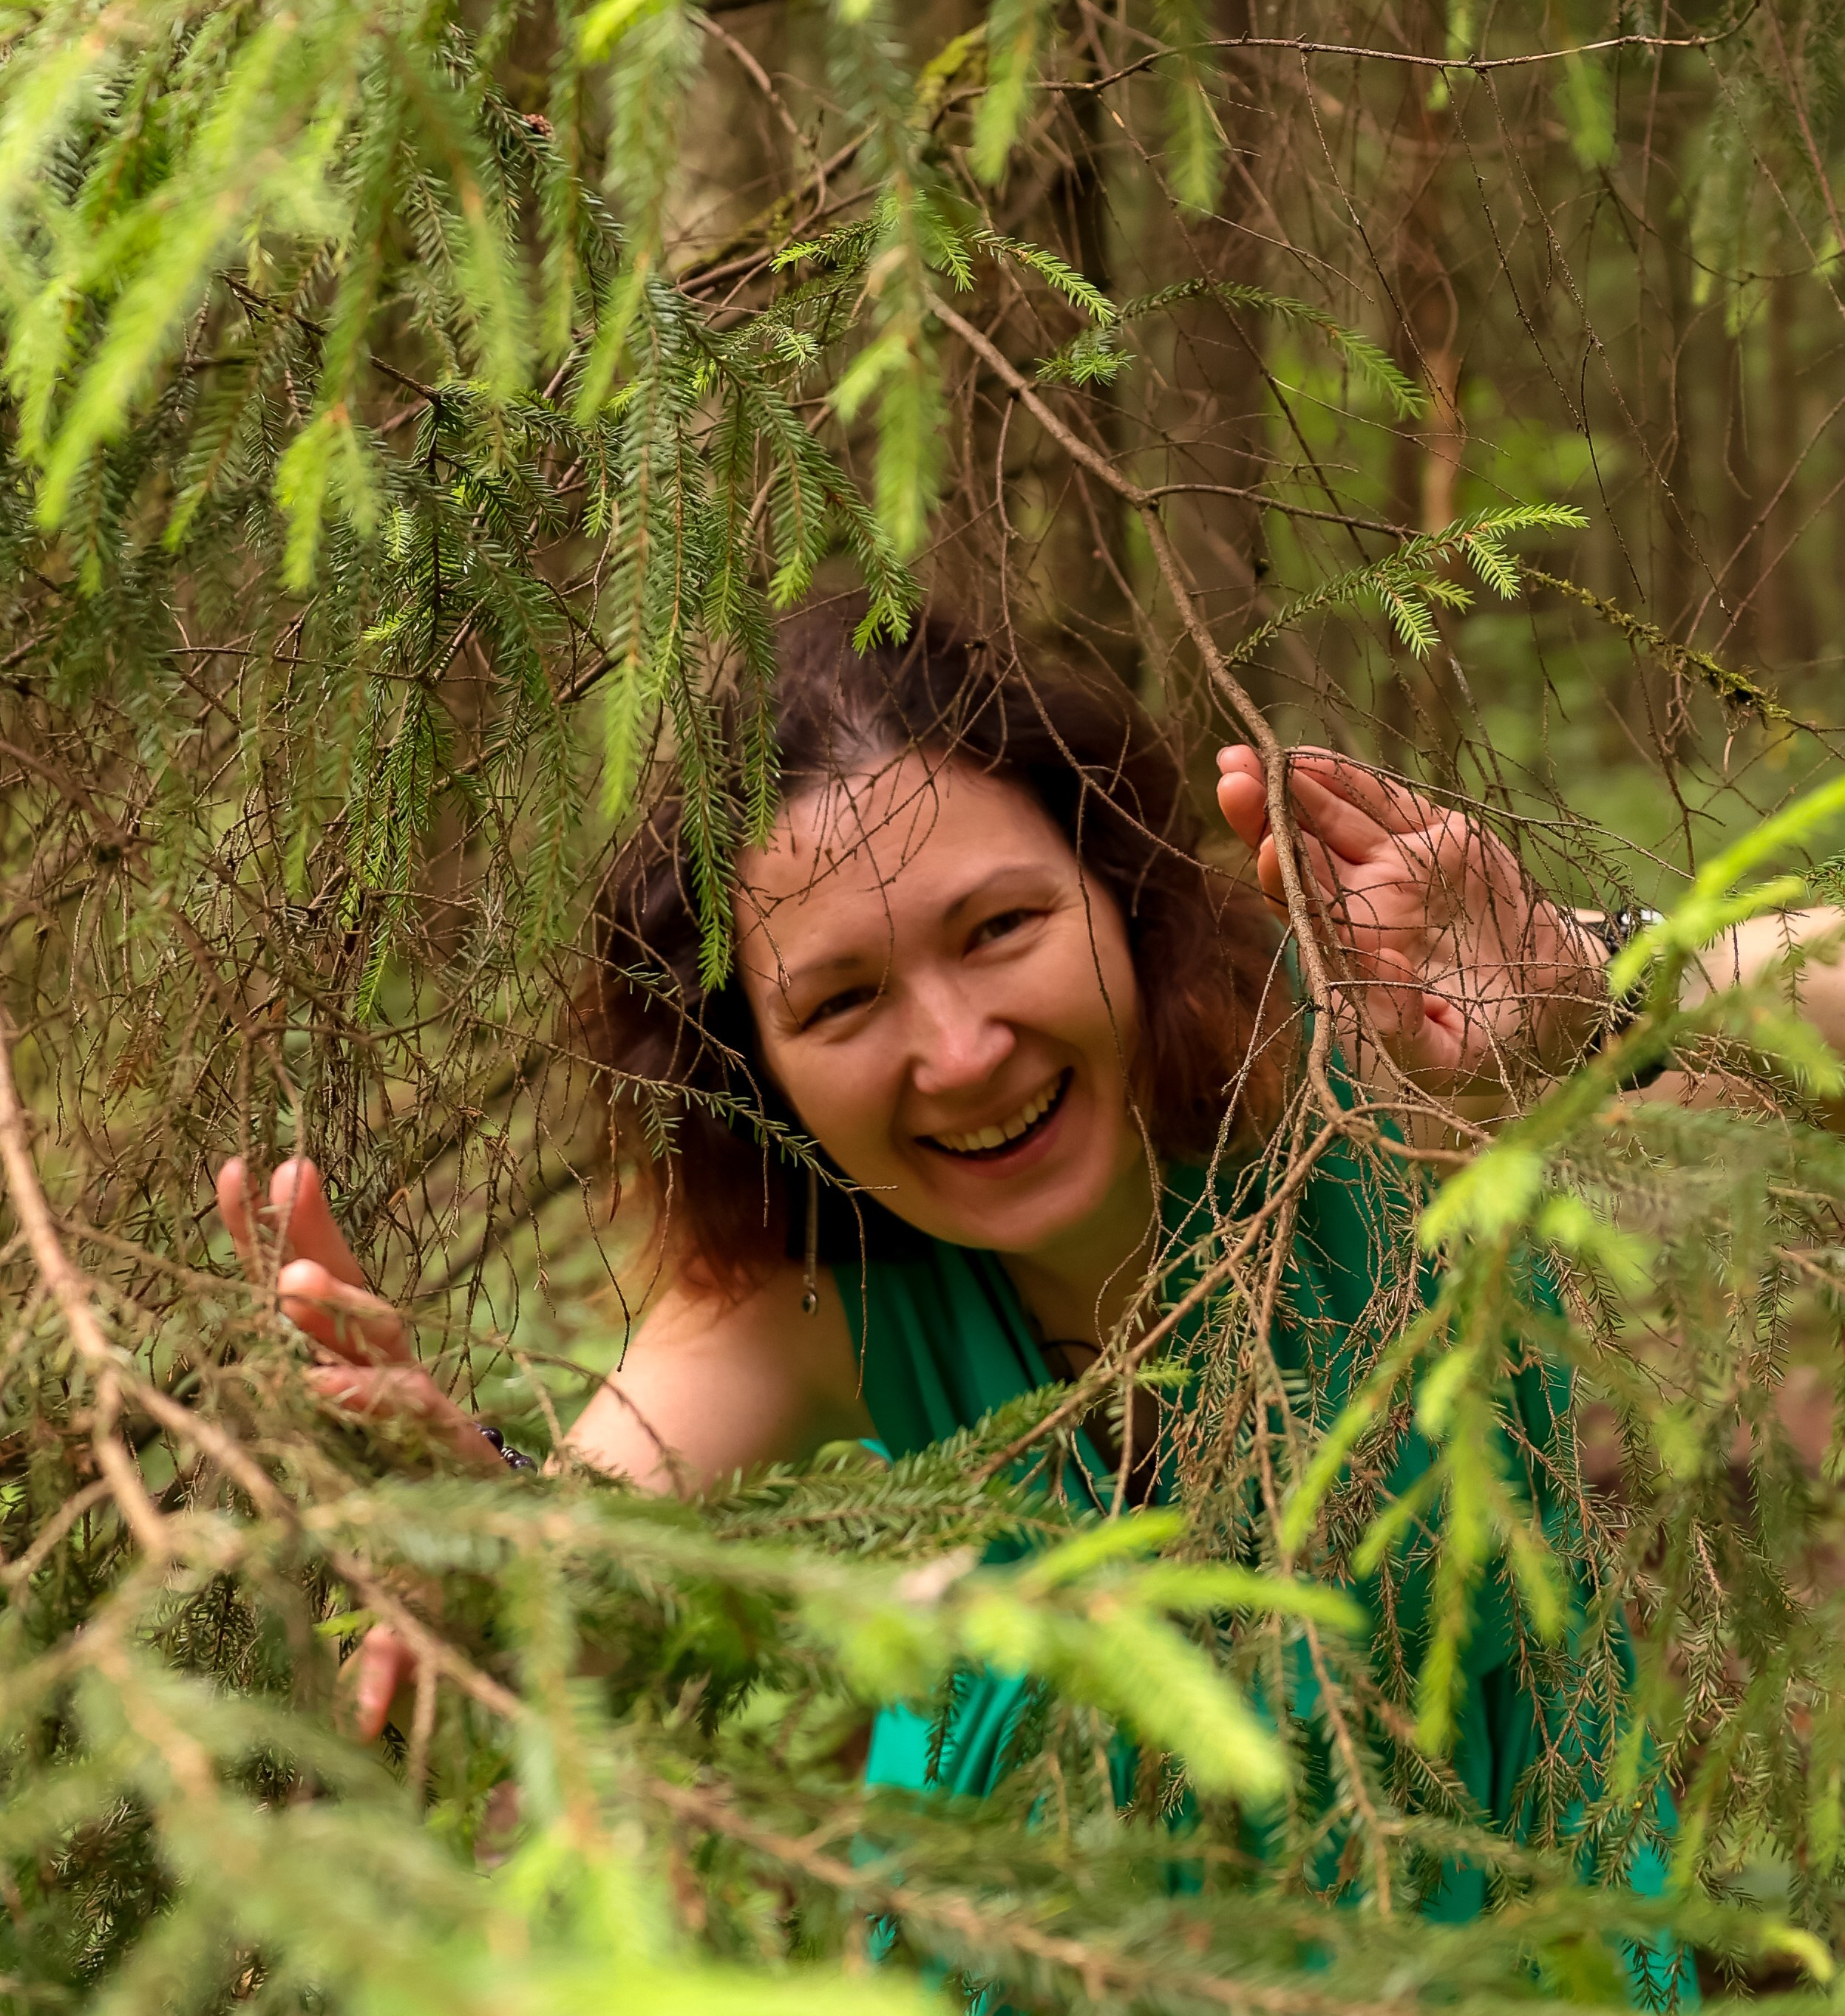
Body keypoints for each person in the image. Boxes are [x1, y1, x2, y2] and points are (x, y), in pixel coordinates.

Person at [215, 608, 1844, 1877]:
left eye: (1000, 930)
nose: (960, 1049)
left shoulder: (1354, 1090)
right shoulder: (811, 1300)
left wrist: (1582, 988)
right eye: (841, 1000)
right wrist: (466, 1524)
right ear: (755, 1069)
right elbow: (586, 1544)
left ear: (1117, 900)